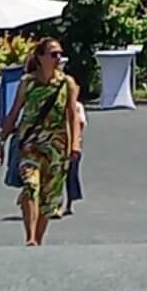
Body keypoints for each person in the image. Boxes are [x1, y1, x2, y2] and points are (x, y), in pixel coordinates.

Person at [0, 37, 79, 247]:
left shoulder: (67, 83)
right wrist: (1, 143)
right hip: (29, 144)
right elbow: (14, 113)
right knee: (31, 185)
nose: (58, 58)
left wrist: (75, 145)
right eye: (53, 54)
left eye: (60, 54)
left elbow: (72, 115)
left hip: (56, 147)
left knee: (49, 197)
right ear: (40, 58)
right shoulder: (27, 83)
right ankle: (30, 236)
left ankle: (38, 240)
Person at [61, 86, 87, 217]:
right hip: (59, 144)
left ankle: (69, 204)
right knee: (57, 175)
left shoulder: (78, 106)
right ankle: (56, 204)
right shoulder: (58, 105)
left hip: (73, 145)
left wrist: (75, 141)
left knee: (71, 175)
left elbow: (81, 124)